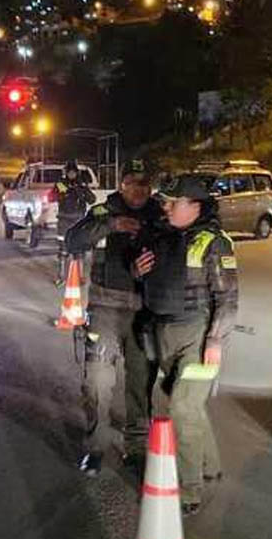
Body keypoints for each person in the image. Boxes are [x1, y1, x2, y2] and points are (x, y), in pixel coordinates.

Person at [134, 174, 239, 515]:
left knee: (182, 407)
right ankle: (210, 464)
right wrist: (137, 271)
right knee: (172, 403)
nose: (165, 206)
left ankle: (189, 489)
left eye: (173, 201)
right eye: (165, 201)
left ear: (194, 206)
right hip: (163, 332)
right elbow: (147, 279)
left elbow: (228, 297)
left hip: (198, 335)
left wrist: (215, 340)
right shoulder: (162, 235)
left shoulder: (214, 242)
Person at [64, 160, 165, 476]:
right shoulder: (102, 212)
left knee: (140, 384)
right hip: (105, 309)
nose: (139, 190)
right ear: (121, 184)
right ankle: (96, 448)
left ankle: (136, 449)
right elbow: (73, 240)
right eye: (133, 182)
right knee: (96, 379)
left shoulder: (160, 216)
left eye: (144, 183)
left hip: (143, 313)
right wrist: (112, 225)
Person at [55, 161, 95, 282]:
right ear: (66, 173)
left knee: (79, 250)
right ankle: (61, 276)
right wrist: (71, 190)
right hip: (64, 219)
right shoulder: (61, 184)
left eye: (73, 172)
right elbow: (60, 195)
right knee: (63, 250)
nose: (71, 174)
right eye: (69, 172)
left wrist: (81, 189)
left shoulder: (82, 185)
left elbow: (92, 199)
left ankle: (81, 276)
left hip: (79, 220)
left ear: (77, 173)